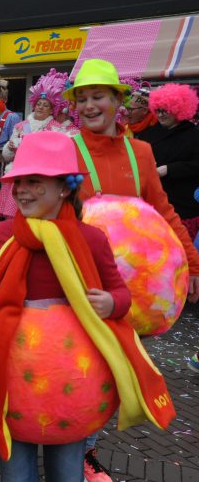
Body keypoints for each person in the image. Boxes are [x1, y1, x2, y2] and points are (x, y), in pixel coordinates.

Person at [0, 131, 175, 482]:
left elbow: (121, 297)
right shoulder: (2, 234)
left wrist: (110, 302)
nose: (22, 190)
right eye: (18, 182)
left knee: (67, 473)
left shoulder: (91, 239)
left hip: (73, 386)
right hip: (10, 380)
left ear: (64, 187)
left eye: (34, 182)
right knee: (16, 475)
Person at [63, 58, 199, 481]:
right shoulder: (65, 149)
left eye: (98, 96)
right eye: (82, 98)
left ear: (117, 101)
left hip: (129, 291)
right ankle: (68, 451)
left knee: (112, 374)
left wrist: (192, 262)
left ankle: (85, 453)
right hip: (77, 279)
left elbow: (162, 211)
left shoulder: (141, 152)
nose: (89, 106)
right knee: (77, 369)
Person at [0, 69, 68, 218]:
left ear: (51, 111)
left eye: (45, 105)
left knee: (36, 216)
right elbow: (6, 154)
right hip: (18, 173)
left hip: (40, 178)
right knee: (12, 218)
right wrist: (10, 148)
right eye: (39, 104)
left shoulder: (56, 128)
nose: (41, 107)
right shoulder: (21, 126)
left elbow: (58, 153)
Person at [139, 83, 199, 239]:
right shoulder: (149, 134)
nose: (160, 115)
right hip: (155, 204)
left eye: (165, 110)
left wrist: (169, 169)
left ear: (178, 109)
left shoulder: (194, 135)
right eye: (158, 110)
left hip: (184, 206)